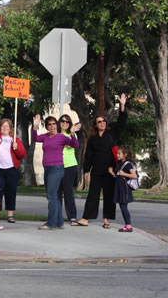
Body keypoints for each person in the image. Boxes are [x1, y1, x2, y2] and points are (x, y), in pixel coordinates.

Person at [73, 93, 128, 228]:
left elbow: (121, 122)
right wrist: (86, 170)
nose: (102, 123)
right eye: (99, 122)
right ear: (96, 125)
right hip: (97, 170)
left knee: (108, 196)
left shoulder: (112, 133)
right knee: (93, 195)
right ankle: (86, 218)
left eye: (104, 121)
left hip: (110, 170)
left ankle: (106, 220)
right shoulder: (93, 139)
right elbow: (88, 156)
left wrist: (122, 105)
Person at [32, 115, 81, 230]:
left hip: (57, 168)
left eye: (54, 124)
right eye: (49, 124)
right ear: (47, 127)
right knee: (54, 196)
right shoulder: (45, 137)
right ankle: (59, 221)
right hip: (47, 168)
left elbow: (75, 145)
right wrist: (35, 126)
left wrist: (73, 134)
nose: (52, 126)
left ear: (56, 125)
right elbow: (35, 138)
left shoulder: (61, 137)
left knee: (52, 196)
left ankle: (51, 223)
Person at [0, 112, 26, 223]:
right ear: (0, 128)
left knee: (11, 191)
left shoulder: (14, 140)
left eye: (7, 126)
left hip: (11, 169)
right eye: (3, 126)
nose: (5, 128)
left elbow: (22, 155)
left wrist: (16, 148)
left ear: (10, 128)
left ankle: (10, 215)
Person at [58, 115, 80, 225]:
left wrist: (72, 133)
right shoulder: (55, 135)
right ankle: (57, 216)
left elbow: (71, 145)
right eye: (63, 121)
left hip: (69, 166)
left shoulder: (72, 134)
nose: (65, 123)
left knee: (68, 192)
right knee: (56, 192)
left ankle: (72, 217)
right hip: (56, 166)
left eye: (67, 121)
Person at [109, 146, 137, 232]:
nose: (117, 155)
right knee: (122, 206)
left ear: (125, 154)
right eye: (117, 153)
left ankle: (128, 225)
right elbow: (118, 176)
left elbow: (134, 175)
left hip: (124, 189)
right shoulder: (120, 164)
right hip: (119, 188)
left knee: (124, 207)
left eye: (119, 153)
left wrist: (124, 173)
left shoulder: (127, 164)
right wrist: (112, 173)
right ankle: (127, 225)